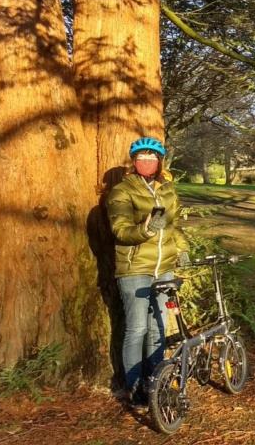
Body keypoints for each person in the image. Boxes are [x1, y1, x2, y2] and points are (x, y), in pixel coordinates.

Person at [108, 137, 189, 408]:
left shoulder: (165, 190)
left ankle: (157, 382)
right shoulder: (122, 190)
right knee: (137, 328)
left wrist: (182, 249)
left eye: (152, 158)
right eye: (141, 157)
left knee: (158, 328)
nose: (147, 161)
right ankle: (134, 388)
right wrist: (145, 230)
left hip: (163, 269)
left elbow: (173, 226)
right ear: (133, 161)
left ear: (159, 162)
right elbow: (120, 230)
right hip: (135, 269)